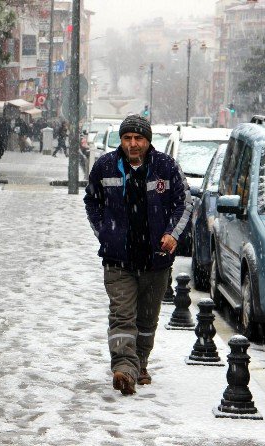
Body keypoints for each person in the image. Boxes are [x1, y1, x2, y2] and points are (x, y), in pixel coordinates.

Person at [83, 114, 192, 395]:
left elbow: (184, 203)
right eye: (127, 138)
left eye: (138, 138)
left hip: (156, 260)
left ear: (148, 140)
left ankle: (139, 363)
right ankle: (124, 369)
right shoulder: (105, 166)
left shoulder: (166, 167)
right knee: (121, 316)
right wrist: (104, 231)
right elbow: (92, 201)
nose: (133, 144)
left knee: (146, 320)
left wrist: (172, 233)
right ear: (121, 140)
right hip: (118, 260)